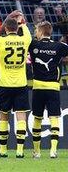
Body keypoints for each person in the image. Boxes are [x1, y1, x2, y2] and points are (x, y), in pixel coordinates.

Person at [0, 11, 32, 158]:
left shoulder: (0, 41)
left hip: (5, 85)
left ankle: (3, 150)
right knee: (21, 118)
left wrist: (3, 23)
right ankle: (20, 151)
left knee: (3, 117)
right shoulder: (25, 39)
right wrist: (20, 21)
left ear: (6, 29)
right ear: (17, 28)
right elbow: (26, 29)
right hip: (21, 84)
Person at [28, 21, 68, 159]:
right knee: (54, 118)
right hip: (53, 88)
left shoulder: (33, 45)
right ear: (50, 32)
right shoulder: (59, 46)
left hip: (38, 87)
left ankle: (37, 152)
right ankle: (53, 150)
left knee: (37, 119)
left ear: (39, 31)